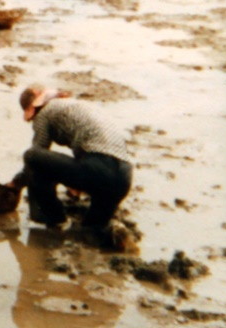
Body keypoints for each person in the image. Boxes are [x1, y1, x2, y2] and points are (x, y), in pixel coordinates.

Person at [10, 86, 134, 236]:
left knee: (31, 156)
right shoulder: (78, 106)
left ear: (34, 109)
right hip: (123, 179)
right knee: (89, 231)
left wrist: (16, 183)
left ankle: (51, 217)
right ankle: (114, 233)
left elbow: (36, 154)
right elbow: (92, 148)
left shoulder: (45, 112)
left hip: (99, 170)